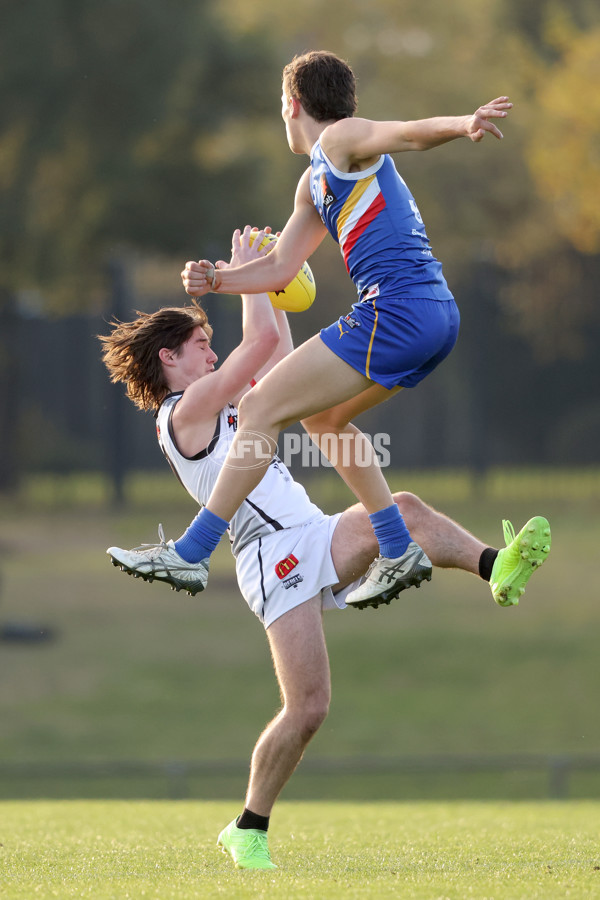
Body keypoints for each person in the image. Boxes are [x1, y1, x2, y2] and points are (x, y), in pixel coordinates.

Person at [99, 229, 551, 871]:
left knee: (408, 511)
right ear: (169, 359)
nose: (212, 353)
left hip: (308, 532)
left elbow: (274, 352)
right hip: (268, 558)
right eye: (202, 346)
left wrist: (269, 287)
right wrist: (256, 270)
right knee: (308, 708)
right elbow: (256, 345)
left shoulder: (223, 397)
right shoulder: (183, 411)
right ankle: (247, 828)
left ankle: (494, 566)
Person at [176, 50, 514, 609]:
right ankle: (396, 544)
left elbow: (406, 133)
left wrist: (463, 124)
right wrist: (217, 278)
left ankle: (191, 550)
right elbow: (281, 267)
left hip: (397, 310)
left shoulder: (338, 140)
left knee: (261, 410)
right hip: (431, 315)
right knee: (323, 418)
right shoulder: (313, 184)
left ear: (292, 104)